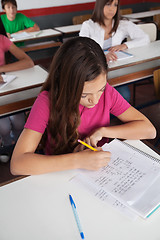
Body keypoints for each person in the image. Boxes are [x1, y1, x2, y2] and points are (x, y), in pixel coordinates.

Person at [10, 37, 156, 176]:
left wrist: (103, 131)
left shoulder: (108, 93)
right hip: (60, 174)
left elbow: (149, 131)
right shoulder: (47, 102)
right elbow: (18, 164)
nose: (95, 100)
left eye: (101, 89)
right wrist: (79, 160)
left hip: (97, 172)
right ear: (66, 86)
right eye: (85, 95)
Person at [79, 0, 150, 102]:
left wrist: (125, 45)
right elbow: (82, 48)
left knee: (124, 96)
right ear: (100, 6)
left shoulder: (123, 24)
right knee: (100, 97)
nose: (112, 9)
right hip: (94, 69)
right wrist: (102, 55)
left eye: (115, 5)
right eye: (108, 4)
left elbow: (145, 38)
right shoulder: (88, 25)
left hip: (115, 68)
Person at [0, 34, 34, 163]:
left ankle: (18, 148)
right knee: (4, 128)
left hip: (8, 87)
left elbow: (28, 62)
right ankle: (6, 145)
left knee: (19, 123)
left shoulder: (2, 39)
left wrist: (1, 69)